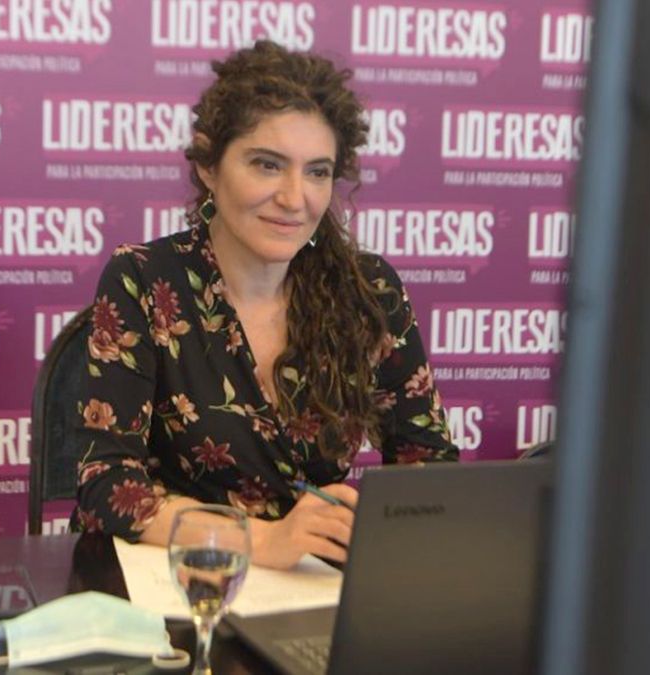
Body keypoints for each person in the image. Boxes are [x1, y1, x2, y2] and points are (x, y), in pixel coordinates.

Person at [71, 41, 457, 569]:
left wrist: (372, 524)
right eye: (267, 165)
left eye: (317, 172)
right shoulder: (143, 278)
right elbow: (107, 485)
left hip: (314, 584)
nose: (295, 198)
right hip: (172, 584)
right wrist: (265, 540)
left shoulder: (369, 290)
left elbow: (429, 463)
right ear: (208, 165)